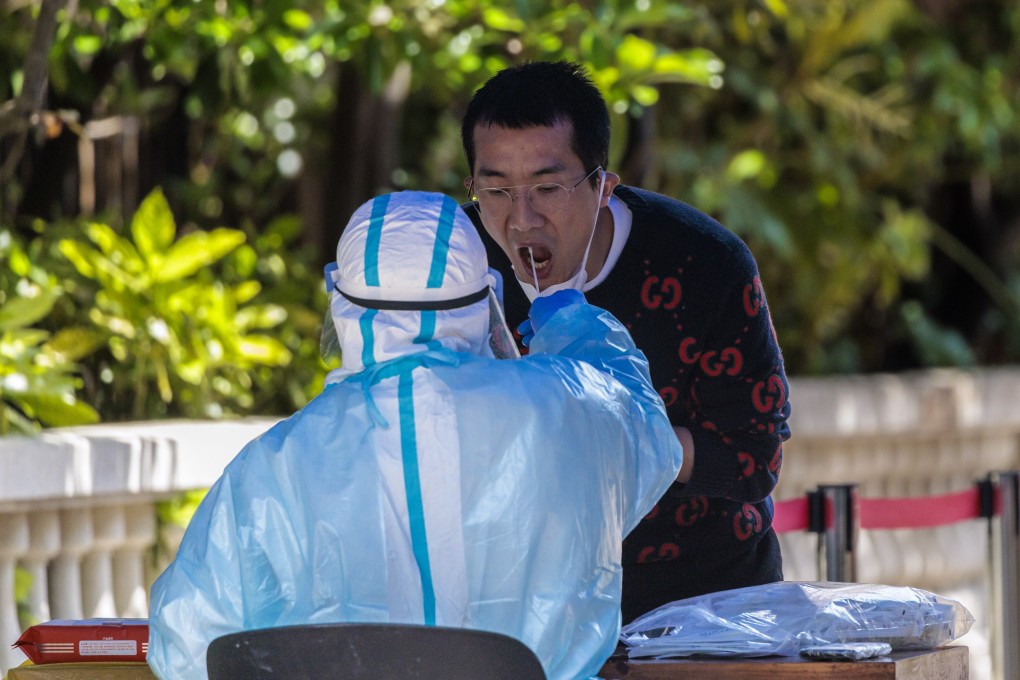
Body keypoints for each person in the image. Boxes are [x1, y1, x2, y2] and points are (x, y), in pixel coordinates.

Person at [146, 191, 683, 680]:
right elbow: (649, 438)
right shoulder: (567, 412)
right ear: (486, 298)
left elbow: (185, 648)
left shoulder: (273, 464)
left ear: (341, 304)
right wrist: (573, 324)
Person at [460, 61, 792, 624]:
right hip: (517, 611)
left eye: (547, 187)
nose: (521, 218)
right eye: (495, 189)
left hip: (699, 607)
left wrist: (630, 440)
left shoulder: (705, 266)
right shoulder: (456, 264)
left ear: (602, 184)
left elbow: (753, 458)